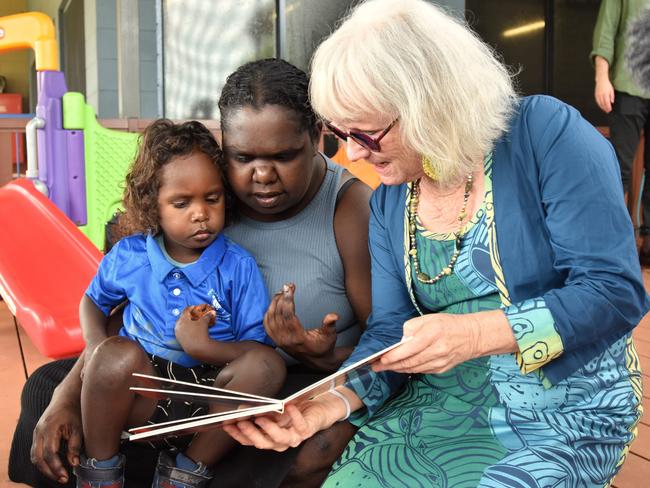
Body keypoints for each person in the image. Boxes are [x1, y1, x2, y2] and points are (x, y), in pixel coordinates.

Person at [222, 1, 650, 486]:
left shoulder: (544, 135)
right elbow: (389, 333)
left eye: (366, 133)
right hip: (445, 396)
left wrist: (471, 335)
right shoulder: (389, 203)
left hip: (565, 404)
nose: (355, 153)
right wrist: (324, 407)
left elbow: (614, 291)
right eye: (342, 135)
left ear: (430, 102)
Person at [10, 59, 372, 488]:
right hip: (168, 372)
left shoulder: (350, 209)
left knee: (316, 447)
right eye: (242, 156)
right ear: (226, 146)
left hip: (276, 387)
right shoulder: (212, 193)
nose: (261, 175)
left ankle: (168, 471)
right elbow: (122, 313)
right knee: (43, 391)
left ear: (317, 137)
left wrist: (318, 354)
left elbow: (385, 344)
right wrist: (67, 396)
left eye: (283, 156)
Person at [74, 119, 286, 487]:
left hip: (209, 406)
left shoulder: (238, 266)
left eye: (212, 198)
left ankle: (186, 472)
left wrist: (204, 347)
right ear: (152, 206)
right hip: (144, 394)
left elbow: (256, 349)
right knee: (111, 354)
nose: (200, 213)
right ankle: (101, 470)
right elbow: (93, 303)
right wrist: (94, 346)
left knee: (268, 366)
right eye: (181, 203)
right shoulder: (131, 256)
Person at [592, 0, 650, 264]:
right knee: (619, 170)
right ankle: (614, 245)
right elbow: (606, 31)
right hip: (627, 88)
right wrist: (602, 78)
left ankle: (647, 245)